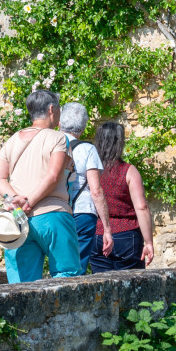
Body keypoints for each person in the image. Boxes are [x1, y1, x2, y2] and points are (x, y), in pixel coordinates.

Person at [0, 89, 83, 282]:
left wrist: (14, 200)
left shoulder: (12, 139)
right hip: (52, 214)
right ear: (51, 109)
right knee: (67, 276)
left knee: (21, 284)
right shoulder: (58, 138)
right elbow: (53, 175)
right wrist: (28, 201)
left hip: (18, 219)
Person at [88, 121, 154, 271]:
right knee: (131, 286)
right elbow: (141, 207)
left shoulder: (91, 171)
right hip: (127, 236)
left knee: (101, 287)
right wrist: (149, 242)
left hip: (98, 234)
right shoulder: (128, 171)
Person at [62, 103, 112, 271]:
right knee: (78, 264)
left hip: (57, 209)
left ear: (60, 122)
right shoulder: (87, 149)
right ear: (83, 127)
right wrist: (106, 228)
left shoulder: (50, 144)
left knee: (60, 263)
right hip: (82, 212)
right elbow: (96, 191)